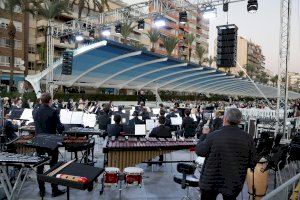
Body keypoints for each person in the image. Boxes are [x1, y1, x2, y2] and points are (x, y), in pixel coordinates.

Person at [196, 108, 256, 200]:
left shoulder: (213, 135)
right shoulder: (248, 138)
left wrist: (204, 135)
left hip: (211, 181)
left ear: (225, 119)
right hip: (233, 182)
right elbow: (252, 163)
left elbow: (200, 151)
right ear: (239, 120)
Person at [32, 93, 65, 198]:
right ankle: (54, 190)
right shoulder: (53, 111)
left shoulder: (35, 111)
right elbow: (60, 128)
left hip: (38, 141)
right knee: (53, 166)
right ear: (50, 100)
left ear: (41, 100)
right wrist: (62, 127)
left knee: (40, 166)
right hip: (51, 141)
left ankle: (42, 190)